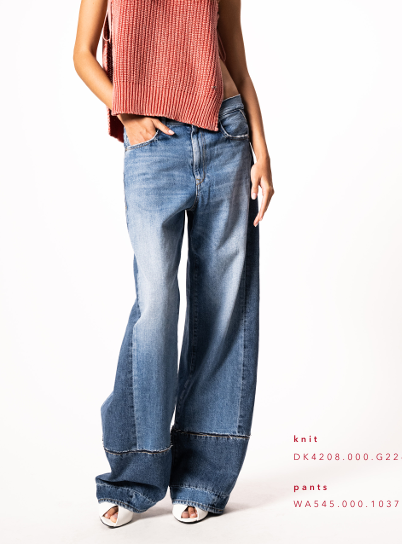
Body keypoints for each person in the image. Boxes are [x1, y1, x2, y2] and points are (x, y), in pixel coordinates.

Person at [73, 0, 274, 527]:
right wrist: (126, 112)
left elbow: (235, 58)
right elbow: (82, 55)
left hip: (226, 135)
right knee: (156, 305)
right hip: (152, 146)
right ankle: (134, 474)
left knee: (222, 305)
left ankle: (204, 475)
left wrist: (262, 150)